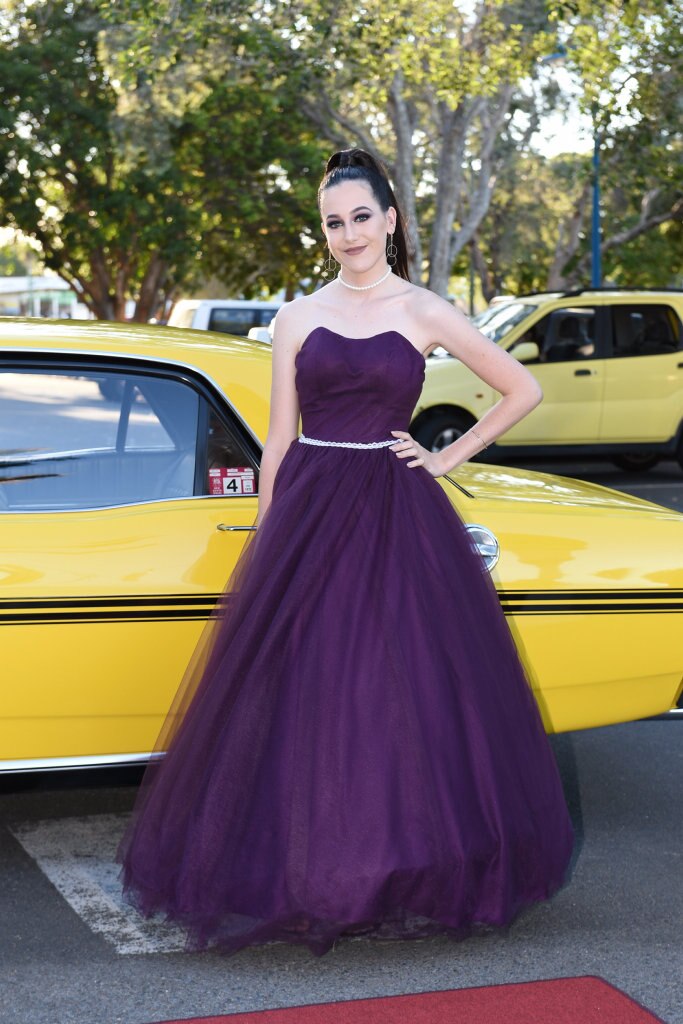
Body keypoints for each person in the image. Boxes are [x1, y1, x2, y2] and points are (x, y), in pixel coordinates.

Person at [117, 148, 574, 957]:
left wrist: (442, 458)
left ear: (390, 219)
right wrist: (267, 537)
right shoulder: (296, 316)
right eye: (334, 221)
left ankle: (403, 870)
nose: (349, 233)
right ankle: (305, 877)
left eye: (362, 216)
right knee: (307, 692)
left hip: (397, 516)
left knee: (398, 693)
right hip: (311, 516)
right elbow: (280, 440)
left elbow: (523, 390)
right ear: (323, 232)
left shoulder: (426, 311)